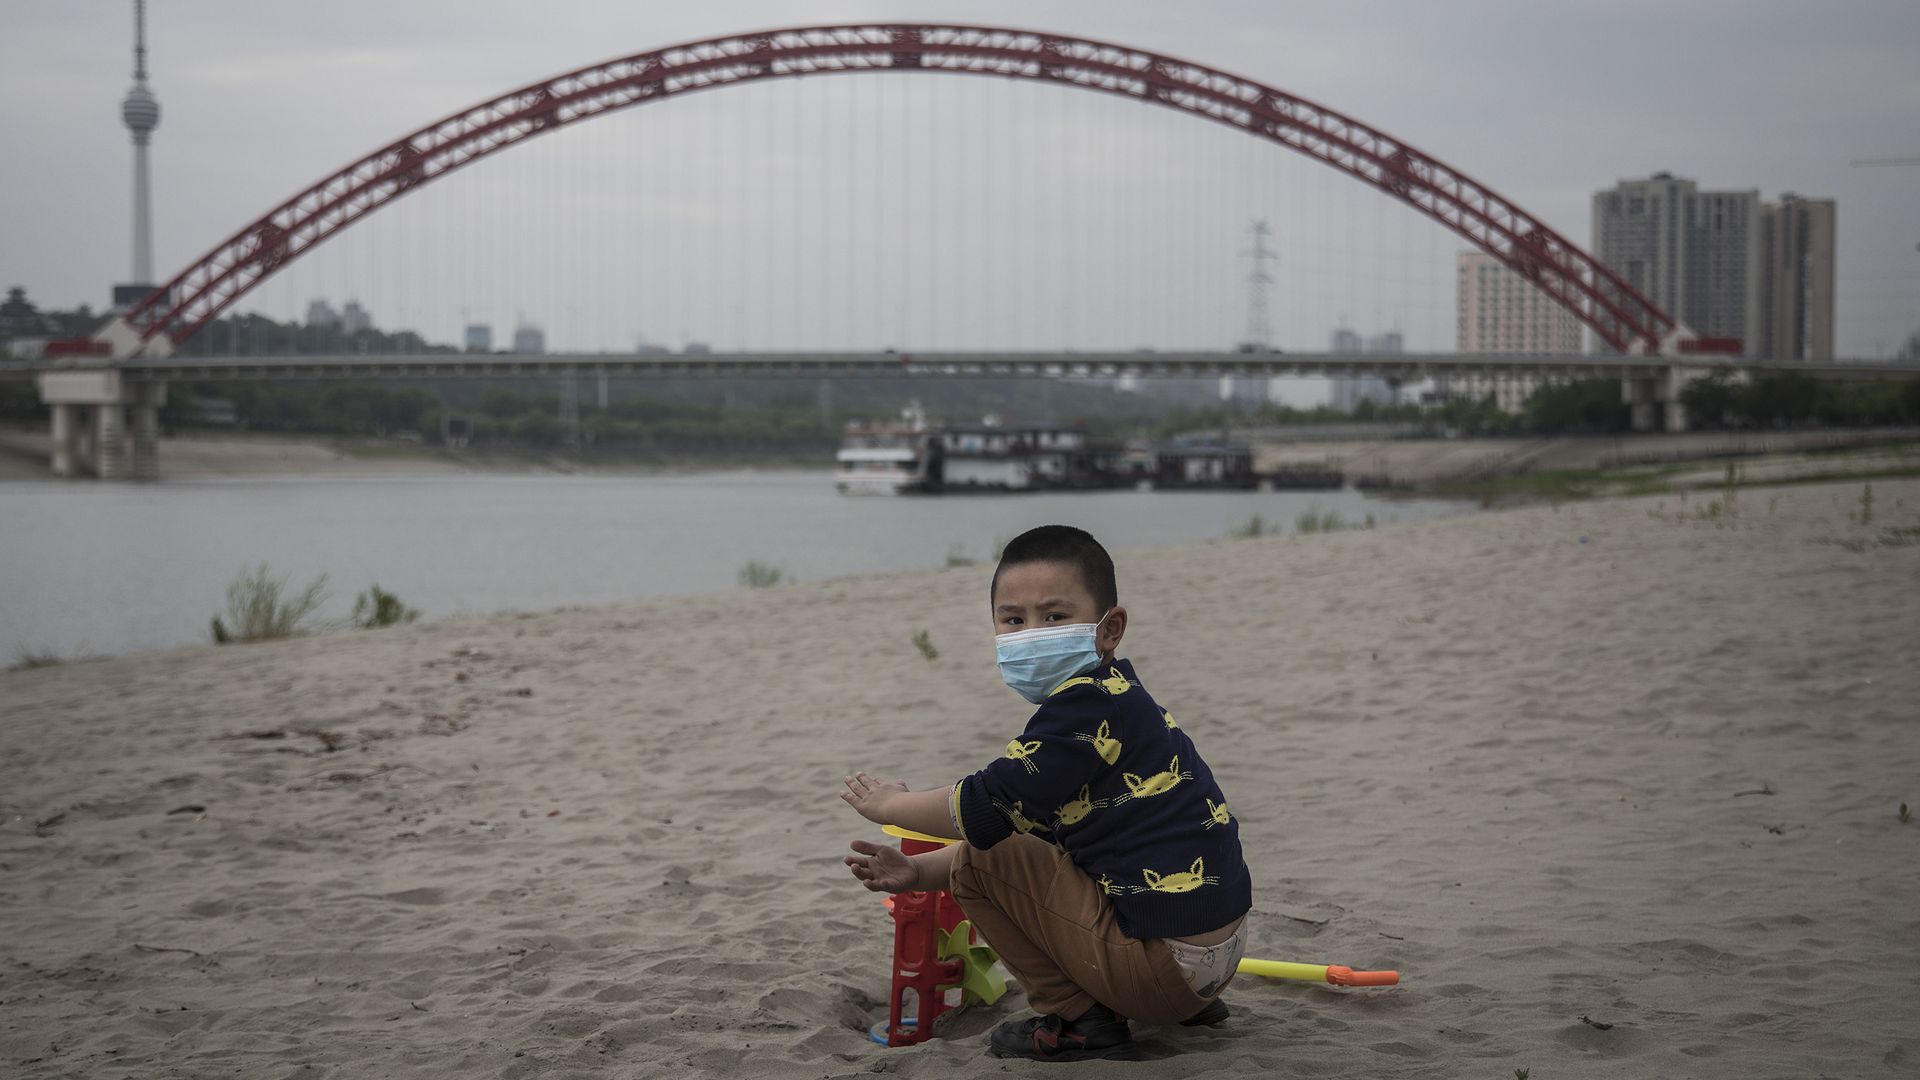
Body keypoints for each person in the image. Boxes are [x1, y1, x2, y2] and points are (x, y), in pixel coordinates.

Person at [840, 524, 1252, 1062]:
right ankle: (1175, 1002)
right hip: (1215, 962)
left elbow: (985, 809)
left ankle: (1078, 1022)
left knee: (983, 859)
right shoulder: (1122, 699)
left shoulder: (1080, 713)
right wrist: (918, 873)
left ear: (1110, 628)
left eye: (1054, 617)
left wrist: (890, 805)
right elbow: (1033, 831)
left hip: (1165, 970)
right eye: (1014, 620)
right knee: (1033, 845)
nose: (1031, 633)